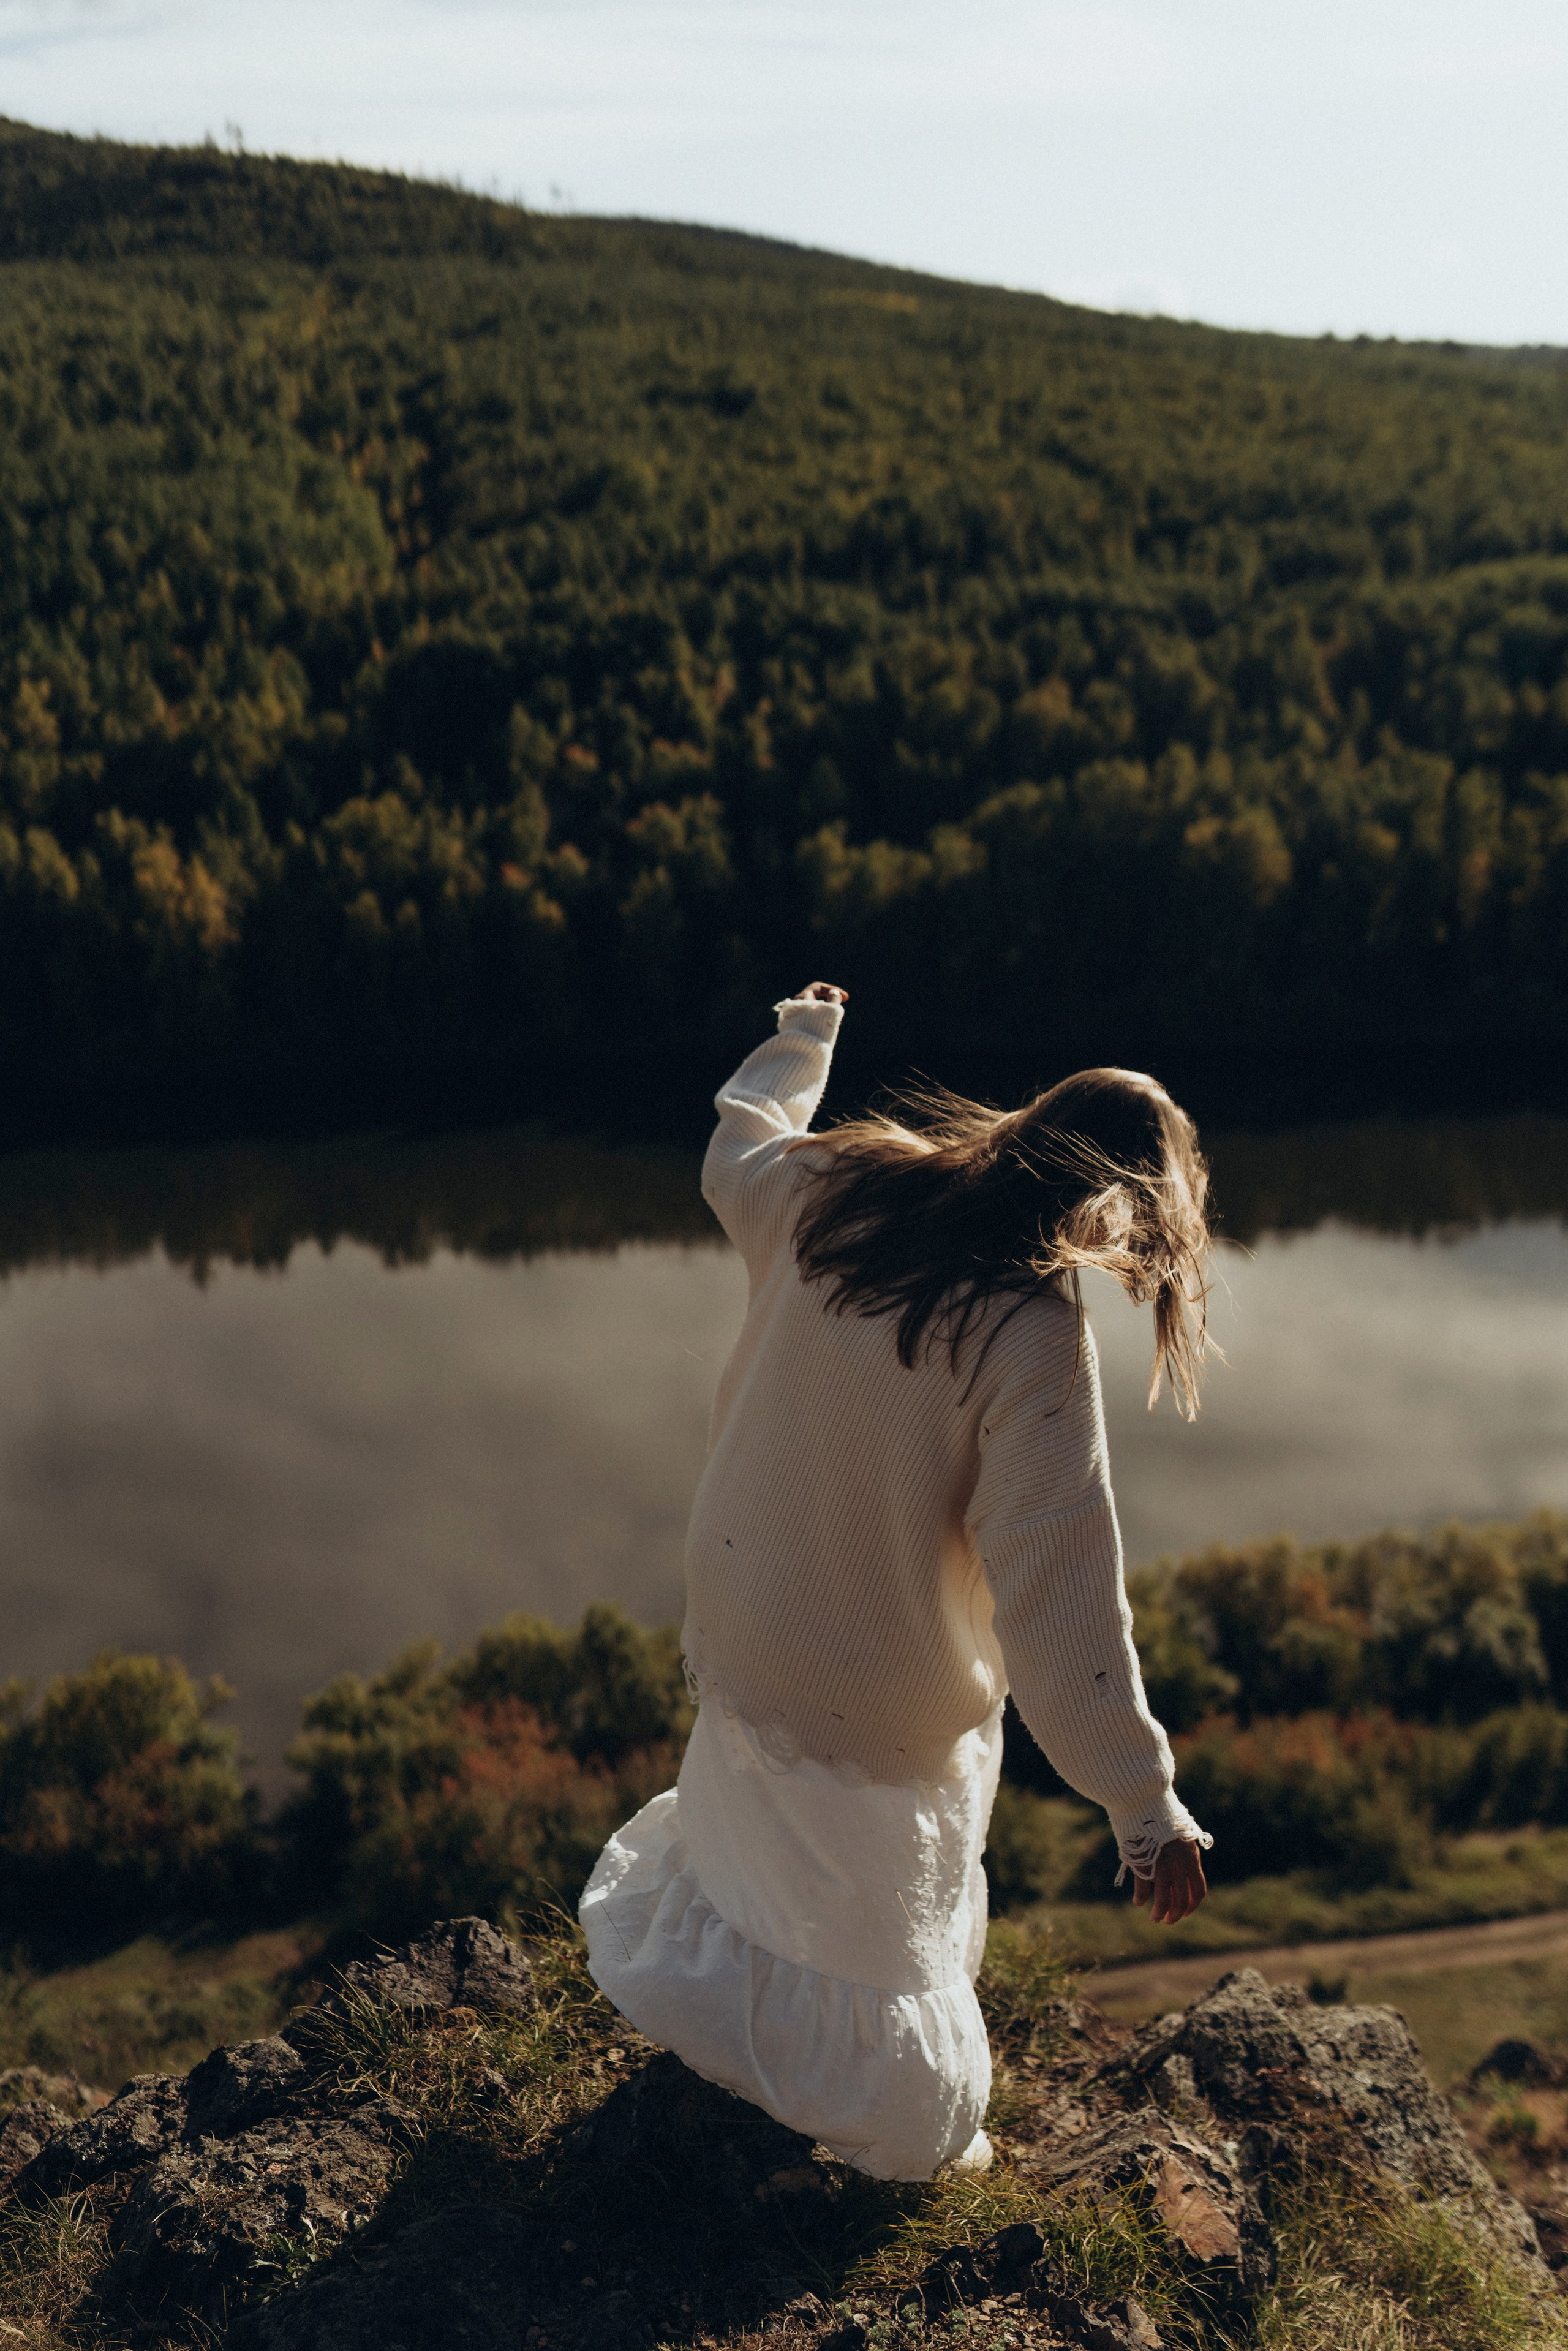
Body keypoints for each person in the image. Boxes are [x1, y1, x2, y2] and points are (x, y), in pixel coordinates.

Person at [581, 984, 1212, 2181]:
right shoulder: (1029, 1330)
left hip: (741, 1615)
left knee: (743, 1853)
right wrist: (1142, 1803)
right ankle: (864, 2112)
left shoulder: (845, 1185)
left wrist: (797, 1047)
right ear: (1108, 1208)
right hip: (876, 1697)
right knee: (913, 2068)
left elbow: (736, 1154)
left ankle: (723, 2047)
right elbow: (1056, 1594)